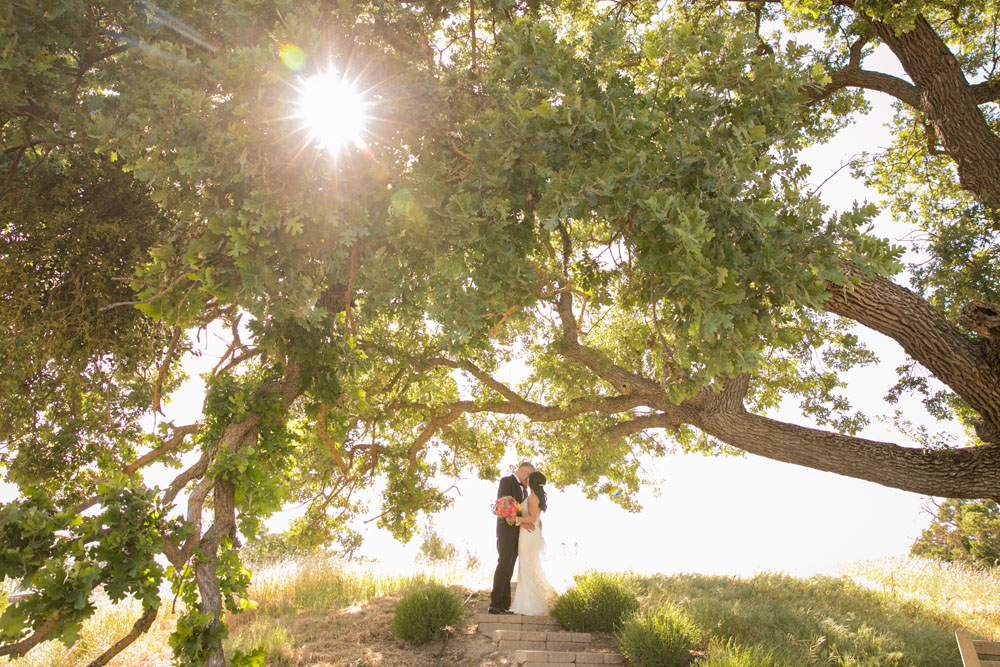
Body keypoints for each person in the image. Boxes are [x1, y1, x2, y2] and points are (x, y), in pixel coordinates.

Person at [489, 462, 534, 614]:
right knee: (503, 564)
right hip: (506, 531)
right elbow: (504, 504)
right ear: (522, 470)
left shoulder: (525, 491)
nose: (529, 478)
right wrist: (517, 520)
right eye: (529, 474)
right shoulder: (506, 481)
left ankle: (504, 605)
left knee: (509, 568)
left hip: (517, 533)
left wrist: (524, 521)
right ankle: (494, 604)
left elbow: (521, 511)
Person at [510, 471, 557, 615]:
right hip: (532, 534)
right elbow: (538, 520)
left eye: (529, 477)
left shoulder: (531, 498)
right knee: (529, 566)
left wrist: (515, 520)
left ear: (532, 481)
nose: (526, 478)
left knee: (526, 567)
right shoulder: (535, 497)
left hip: (528, 536)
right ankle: (527, 602)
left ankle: (528, 605)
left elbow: (532, 519)